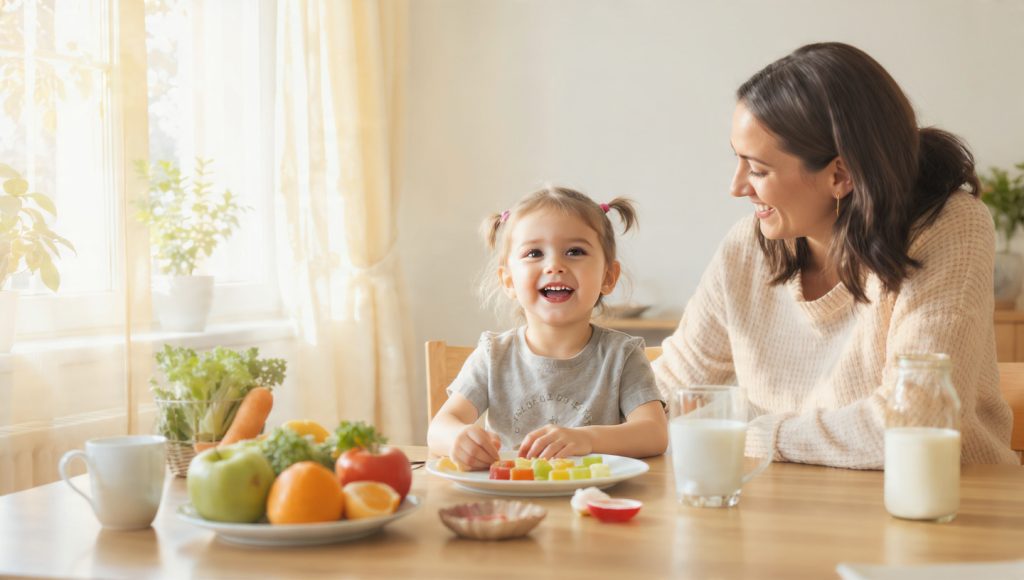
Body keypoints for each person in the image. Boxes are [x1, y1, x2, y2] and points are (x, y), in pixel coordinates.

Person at [653, 42, 1018, 469]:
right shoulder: (747, 247)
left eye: (758, 169)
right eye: (737, 160)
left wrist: (755, 436)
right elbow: (669, 387)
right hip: (796, 513)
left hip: (950, 509)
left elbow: (914, 419)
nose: (736, 187)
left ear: (840, 174)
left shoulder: (948, 226)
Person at [427, 186, 668, 470]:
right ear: (508, 281)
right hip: (512, 500)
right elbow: (439, 428)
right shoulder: (493, 355)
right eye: (534, 253)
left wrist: (585, 439)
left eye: (575, 251)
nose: (555, 265)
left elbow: (654, 433)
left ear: (608, 276)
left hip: (594, 501)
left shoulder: (622, 355)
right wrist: (459, 438)